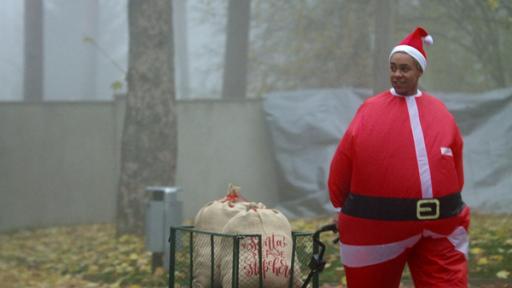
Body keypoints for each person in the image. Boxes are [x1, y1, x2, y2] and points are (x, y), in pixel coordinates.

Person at [328, 27, 470, 288]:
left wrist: (451, 199)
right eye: (393, 68)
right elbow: (344, 161)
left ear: (419, 71)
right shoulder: (370, 111)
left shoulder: (439, 112)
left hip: (440, 228)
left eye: (404, 69)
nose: (397, 75)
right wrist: (339, 206)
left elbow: (455, 164)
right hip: (377, 228)